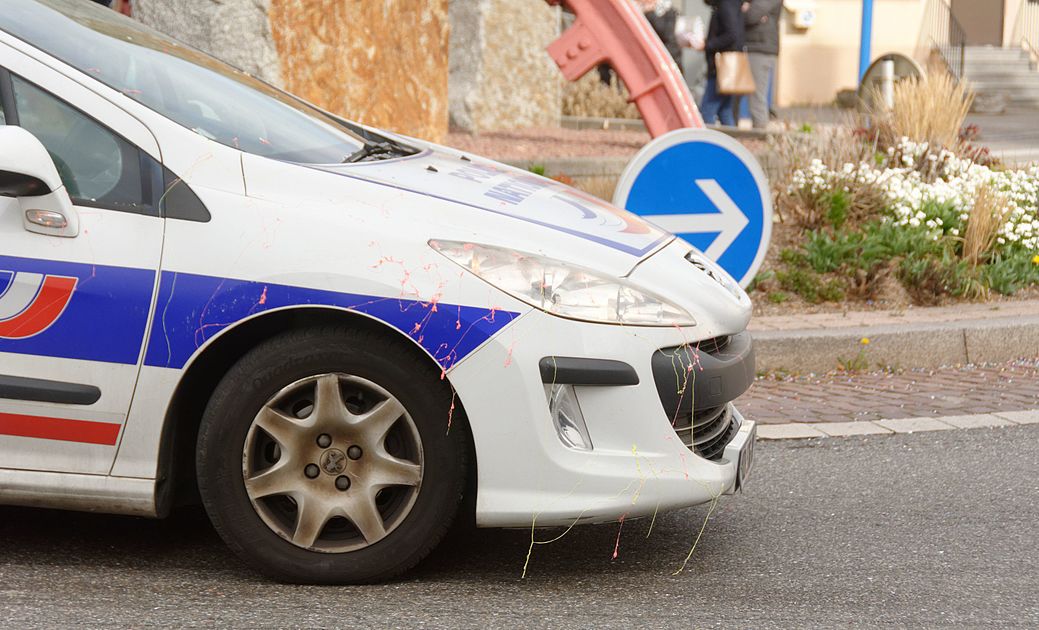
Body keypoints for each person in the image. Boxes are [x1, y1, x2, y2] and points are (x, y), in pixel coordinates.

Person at [696, 0, 744, 126]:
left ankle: (708, 144)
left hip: (721, 67)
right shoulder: (729, 4)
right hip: (725, 66)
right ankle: (731, 142)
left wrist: (707, 45)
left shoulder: (725, 5)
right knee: (725, 111)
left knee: (707, 110)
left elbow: (731, 35)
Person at [742, 0, 782, 128]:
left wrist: (746, 9)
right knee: (756, 94)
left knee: (757, 95)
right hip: (758, 47)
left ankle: (760, 133)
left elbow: (751, 16)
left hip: (760, 49)